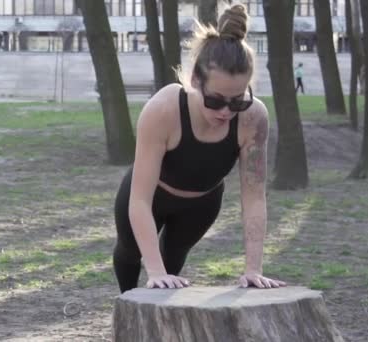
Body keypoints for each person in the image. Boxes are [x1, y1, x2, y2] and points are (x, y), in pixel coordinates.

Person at [112, 4, 286, 294]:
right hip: (150, 195)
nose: (226, 112)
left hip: (201, 204)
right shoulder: (164, 108)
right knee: (130, 253)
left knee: (172, 264)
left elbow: (254, 198)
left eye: (238, 101)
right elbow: (140, 198)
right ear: (195, 81)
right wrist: (152, 270)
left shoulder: (253, 118)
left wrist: (253, 269)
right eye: (216, 101)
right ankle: (125, 310)